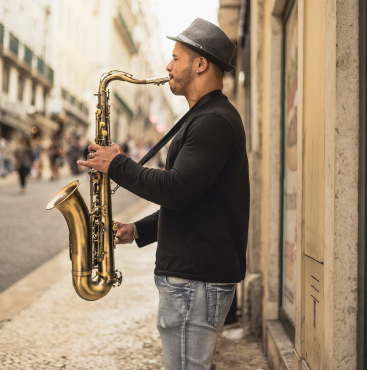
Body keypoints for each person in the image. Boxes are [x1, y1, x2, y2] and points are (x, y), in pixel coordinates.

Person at [78, 18, 250, 370]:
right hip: (193, 282)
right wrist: (139, 230)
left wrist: (118, 164)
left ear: (200, 64)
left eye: (175, 57)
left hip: (194, 284)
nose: (168, 66)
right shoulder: (205, 117)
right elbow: (196, 202)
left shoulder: (213, 121)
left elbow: (176, 189)